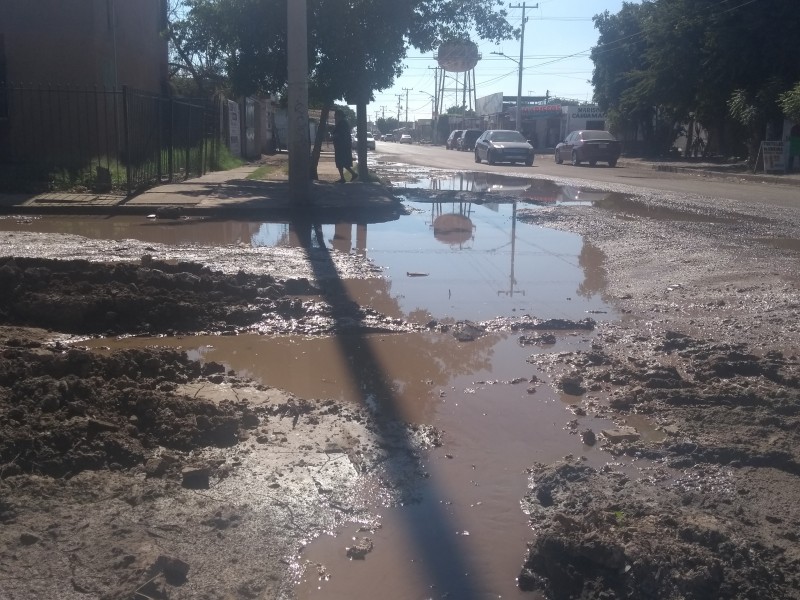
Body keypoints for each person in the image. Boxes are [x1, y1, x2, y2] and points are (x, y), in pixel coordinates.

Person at [333, 109, 358, 183]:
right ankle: (352, 174)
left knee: (340, 162)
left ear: (339, 115)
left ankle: (343, 178)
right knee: (344, 162)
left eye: (336, 115)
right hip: (343, 146)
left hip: (342, 146)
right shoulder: (343, 122)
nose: (335, 117)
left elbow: (339, 134)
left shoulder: (342, 123)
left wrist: (333, 136)